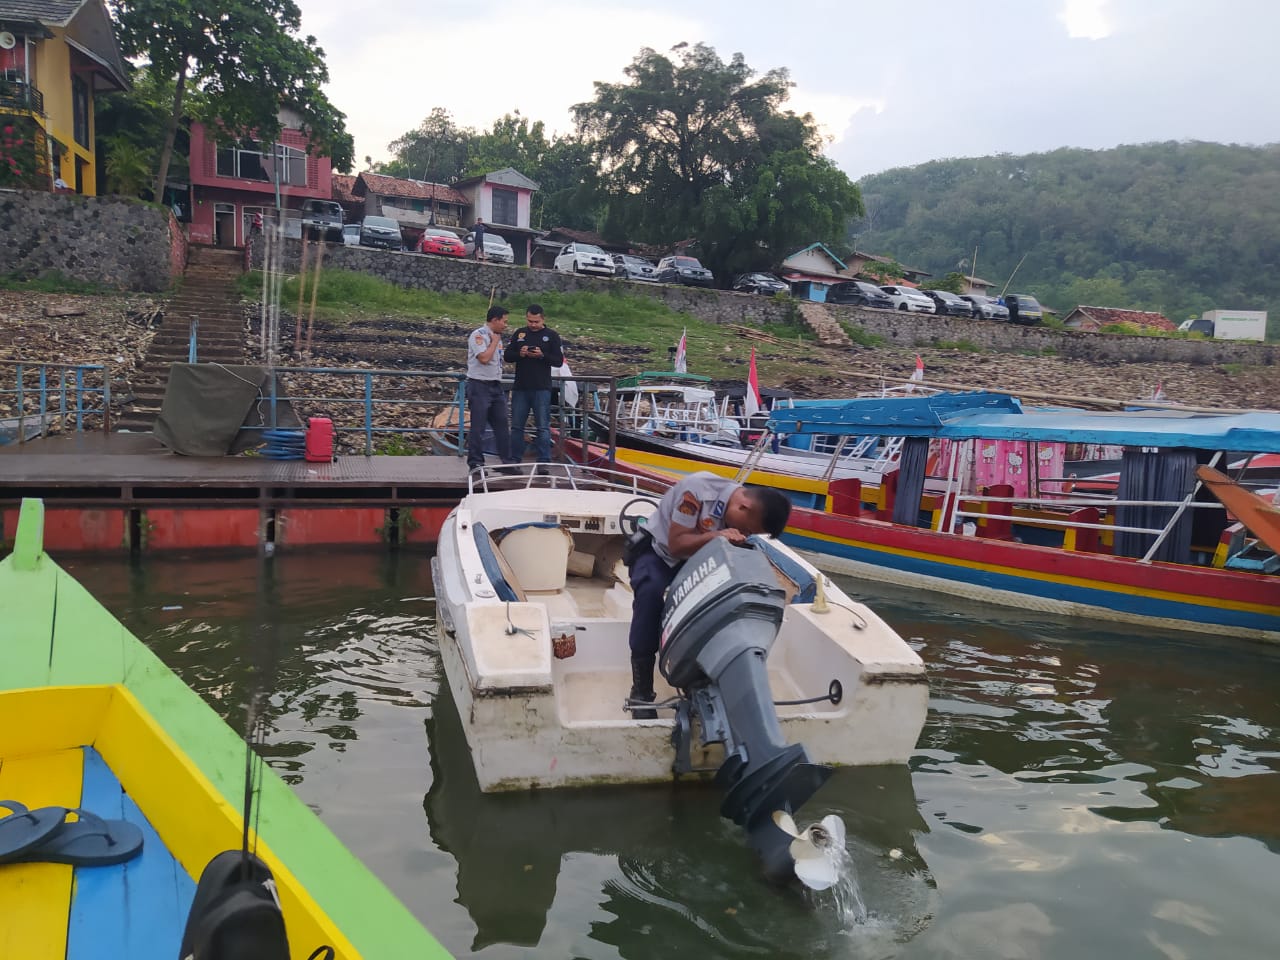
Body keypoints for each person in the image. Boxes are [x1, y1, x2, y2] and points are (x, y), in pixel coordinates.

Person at [625, 472, 792, 718]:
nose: (743, 533)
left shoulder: (738, 509)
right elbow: (677, 544)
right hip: (659, 553)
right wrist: (718, 535)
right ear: (743, 506)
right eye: (745, 528)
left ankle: (699, 681)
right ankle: (641, 691)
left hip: (695, 558)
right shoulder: (697, 492)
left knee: (720, 600)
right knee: (649, 596)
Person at [504, 304, 563, 464]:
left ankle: (544, 460)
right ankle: (515, 459)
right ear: (526, 318)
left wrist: (542, 355)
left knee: (543, 426)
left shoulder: (552, 336)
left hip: (541, 388)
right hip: (520, 387)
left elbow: (558, 361)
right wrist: (520, 354)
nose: (533, 324)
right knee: (516, 426)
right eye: (530, 321)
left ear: (543, 319)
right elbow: (508, 356)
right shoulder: (519, 333)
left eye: (536, 321)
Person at [465, 305, 516, 472]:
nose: (505, 325)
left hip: (495, 385)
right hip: (479, 385)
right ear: (495, 320)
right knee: (478, 427)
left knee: (502, 425)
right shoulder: (478, 335)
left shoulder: (497, 336)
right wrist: (494, 342)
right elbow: (484, 358)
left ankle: (507, 462)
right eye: (504, 321)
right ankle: (476, 462)